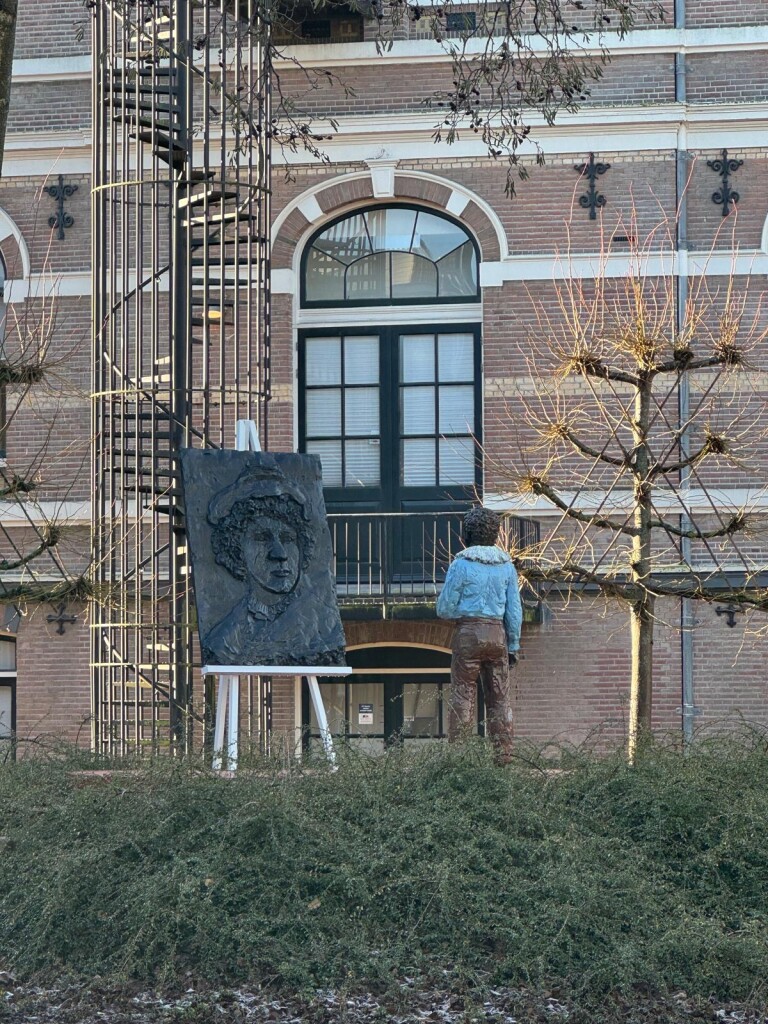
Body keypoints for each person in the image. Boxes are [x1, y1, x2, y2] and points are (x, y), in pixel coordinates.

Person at [202, 462, 346, 667]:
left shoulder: (325, 625)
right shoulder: (222, 638)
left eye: (288, 539)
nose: (279, 554)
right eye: (262, 538)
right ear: (236, 549)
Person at [436, 506, 522, 762]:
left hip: (468, 634)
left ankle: (459, 759)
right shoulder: (507, 566)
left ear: (466, 533)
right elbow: (514, 611)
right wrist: (513, 645)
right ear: (495, 534)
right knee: (500, 698)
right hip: (498, 636)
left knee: (462, 694)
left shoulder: (460, 564)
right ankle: (503, 757)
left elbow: (445, 608)